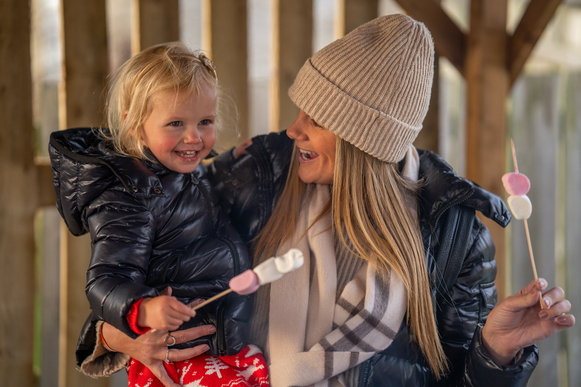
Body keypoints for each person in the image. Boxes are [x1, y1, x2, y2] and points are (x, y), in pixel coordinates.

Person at [76, 15, 575, 387]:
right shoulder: (260, 172)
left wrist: (498, 351)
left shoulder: (455, 234)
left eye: (315, 118)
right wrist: (118, 334)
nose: (294, 130)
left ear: (362, 138)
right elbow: (141, 268)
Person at [49, 42, 268, 387]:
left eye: (205, 121)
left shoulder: (183, 173)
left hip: (215, 345)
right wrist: (144, 307)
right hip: (176, 357)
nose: (194, 137)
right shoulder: (128, 199)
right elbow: (106, 279)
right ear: (135, 126)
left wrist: (239, 162)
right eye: (176, 123)